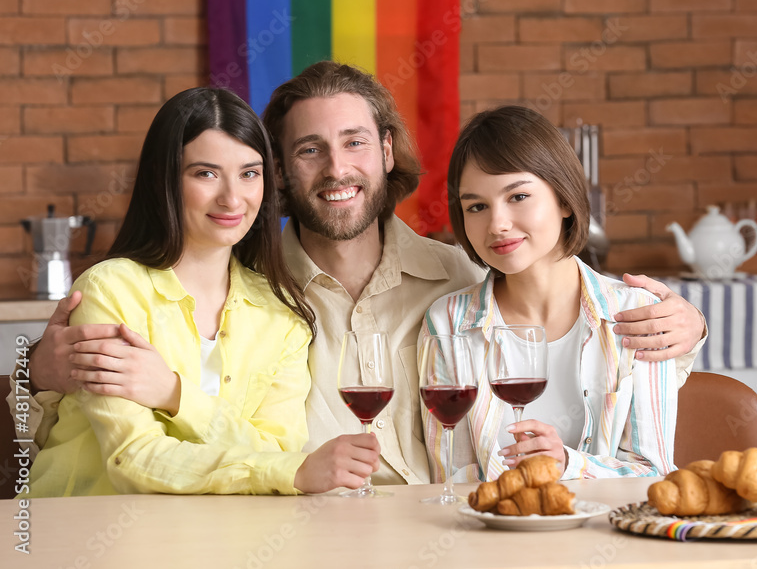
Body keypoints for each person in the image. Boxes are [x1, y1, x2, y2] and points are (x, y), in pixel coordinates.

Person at [14, 62, 707, 490]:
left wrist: (692, 326)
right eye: (309, 150)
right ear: (281, 172)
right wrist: (32, 374)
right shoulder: (250, 286)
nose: (337, 168)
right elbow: (102, 436)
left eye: (353, 143)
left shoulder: (460, 276)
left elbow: (569, 329)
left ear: (384, 151)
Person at [27, 87, 381, 497]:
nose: (233, 198)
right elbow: (133, 458)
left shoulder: (283, 314)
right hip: (84, 538)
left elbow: (279, 449)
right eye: (206, 173)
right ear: (166, 180)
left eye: (249, 173)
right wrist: (286, 472)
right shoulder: (111, 291)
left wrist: (175, 394)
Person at [421, 106, 696, 484]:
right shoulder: (447, 321)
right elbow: (448, 480)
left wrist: (568, 465)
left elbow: (654, 473)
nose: (497, 224)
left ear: (564, 199)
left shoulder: (638, 316)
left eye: (517, 197)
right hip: (487, 539)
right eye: (477, 206)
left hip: (608, 538)